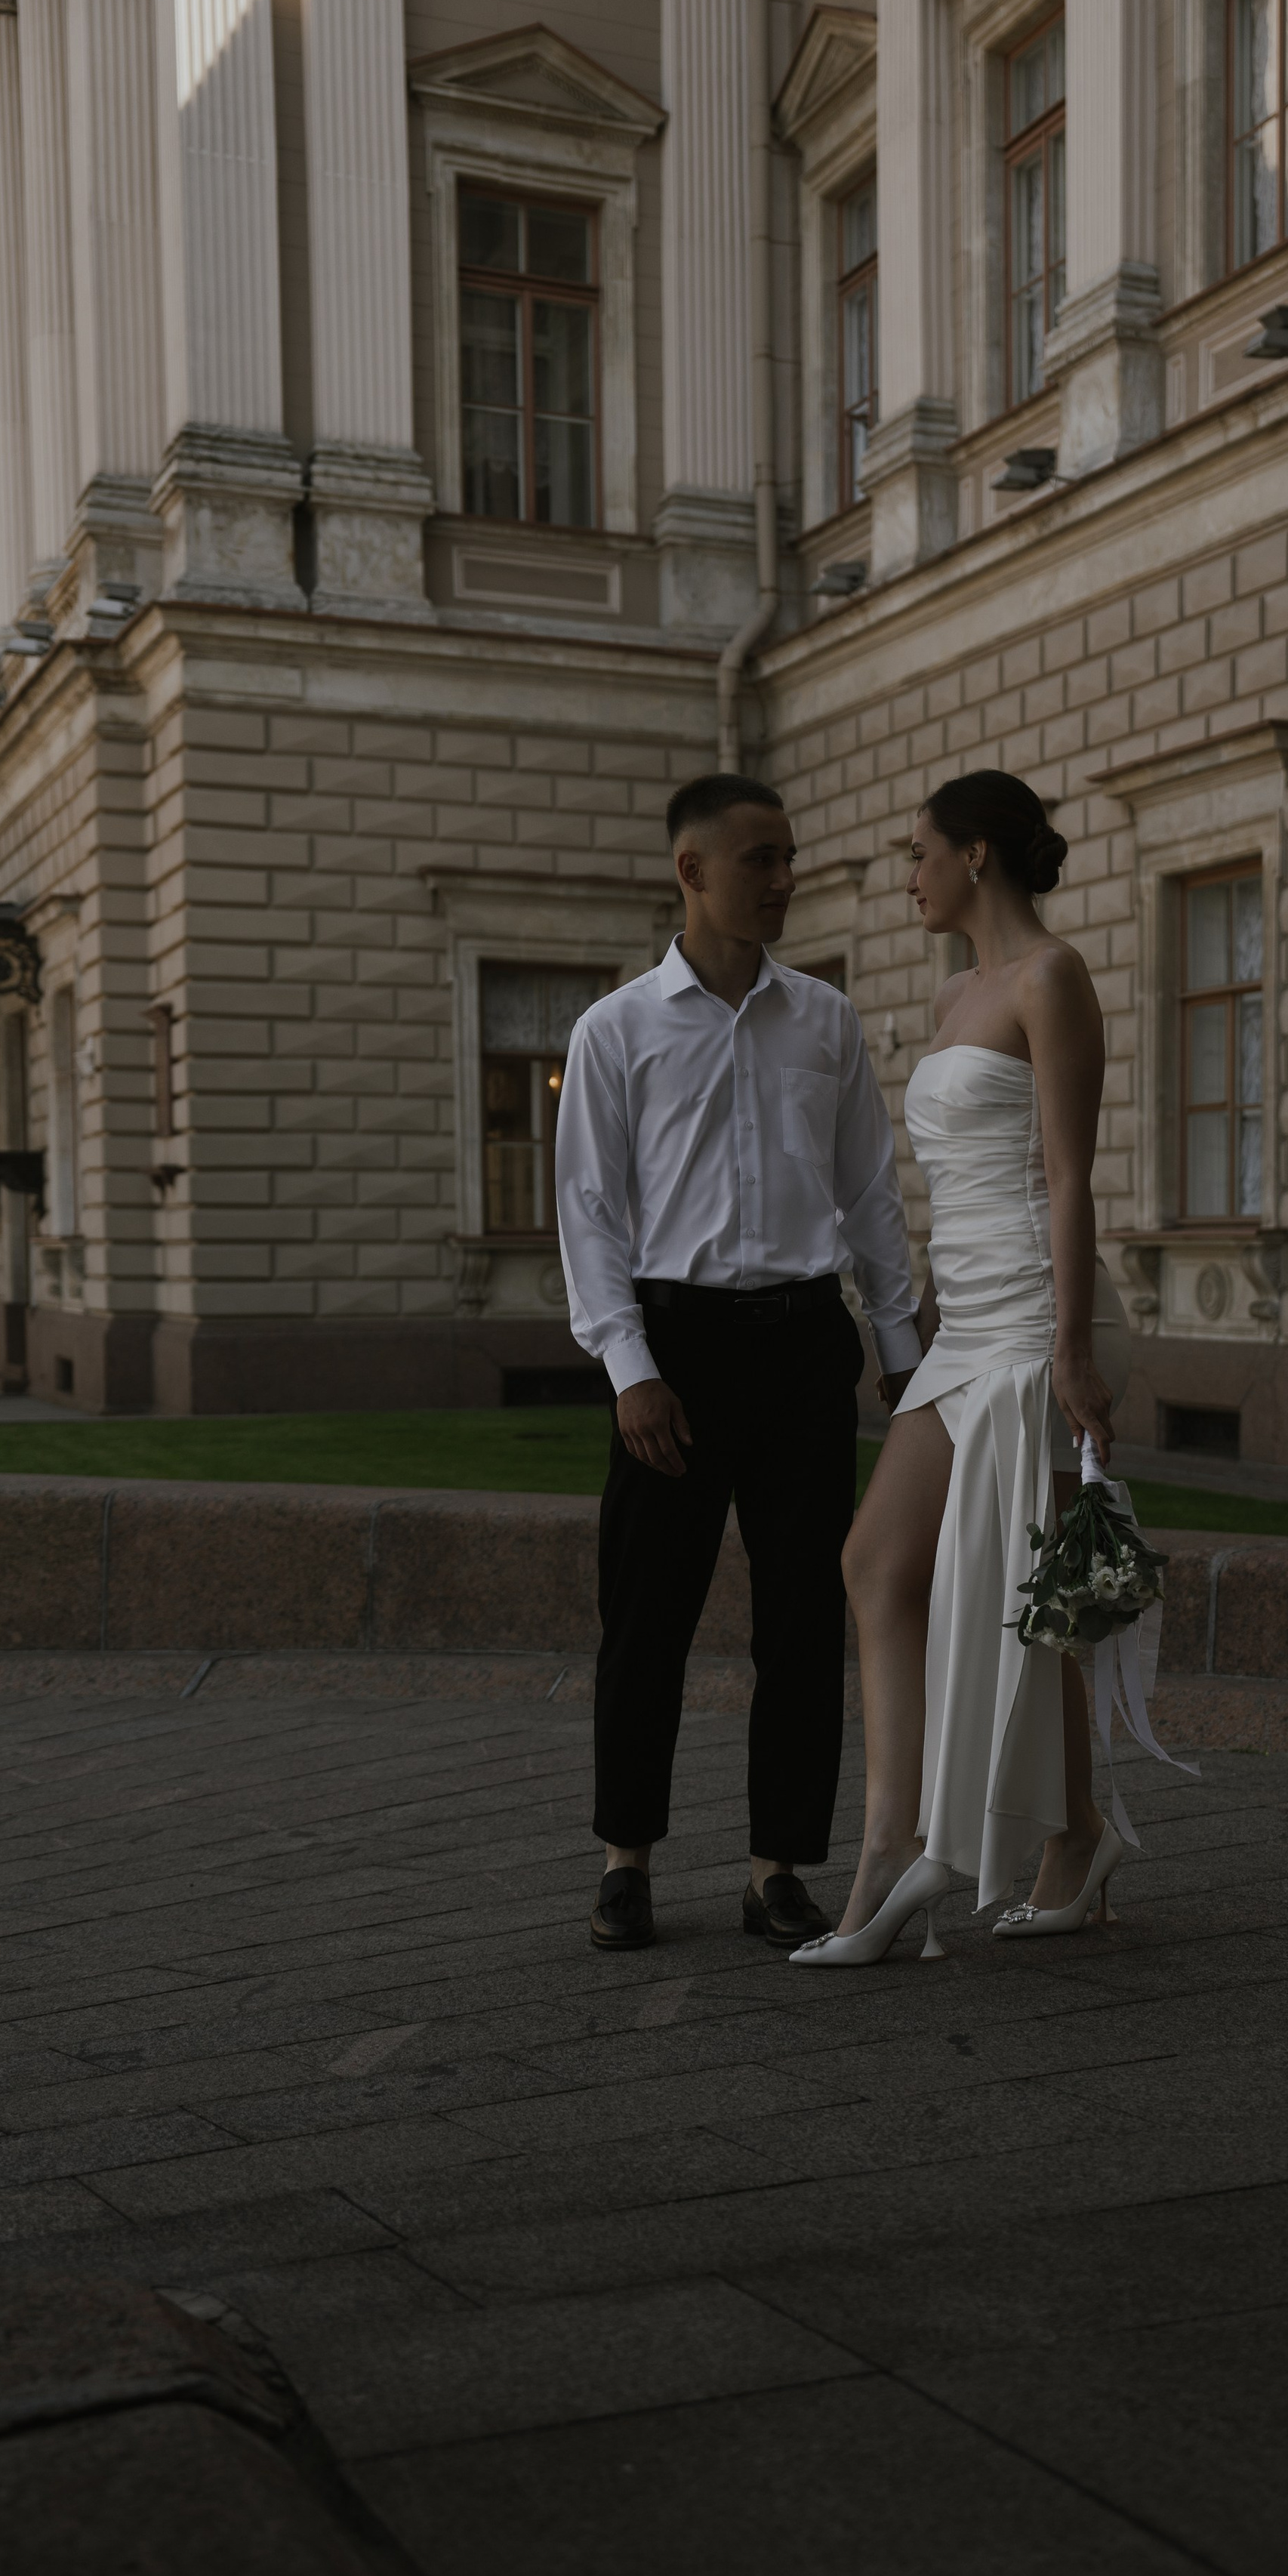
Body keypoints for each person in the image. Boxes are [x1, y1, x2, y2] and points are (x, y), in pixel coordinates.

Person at [556, 773, 921, 1951]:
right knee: (645, 1619)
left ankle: (778, 1869)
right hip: (677, 1350)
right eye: (760, 858)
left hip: (807, 1342)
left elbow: (870, 1191)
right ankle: (626, 1863)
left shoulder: (826, 1019)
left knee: (804, 1623)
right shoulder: (615, 1030)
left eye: (790, 857)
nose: (784, 878)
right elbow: (590, 1213)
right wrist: (629, 1367)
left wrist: (901, 1349)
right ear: (691, 872)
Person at [791, 770, 1133, 1968]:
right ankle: (904, 1843)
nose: (908, 875)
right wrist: (927, 1305)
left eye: (919, 853)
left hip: (1037, 1324)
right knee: (877, 1563)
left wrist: (1077, 1351)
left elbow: (1068, 1175)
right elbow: (957, 1182)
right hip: (965, 1322)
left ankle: (1061, 1844)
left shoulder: (1054, 977)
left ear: (977, 854)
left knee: (1034, 1597)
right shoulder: (948, 997)